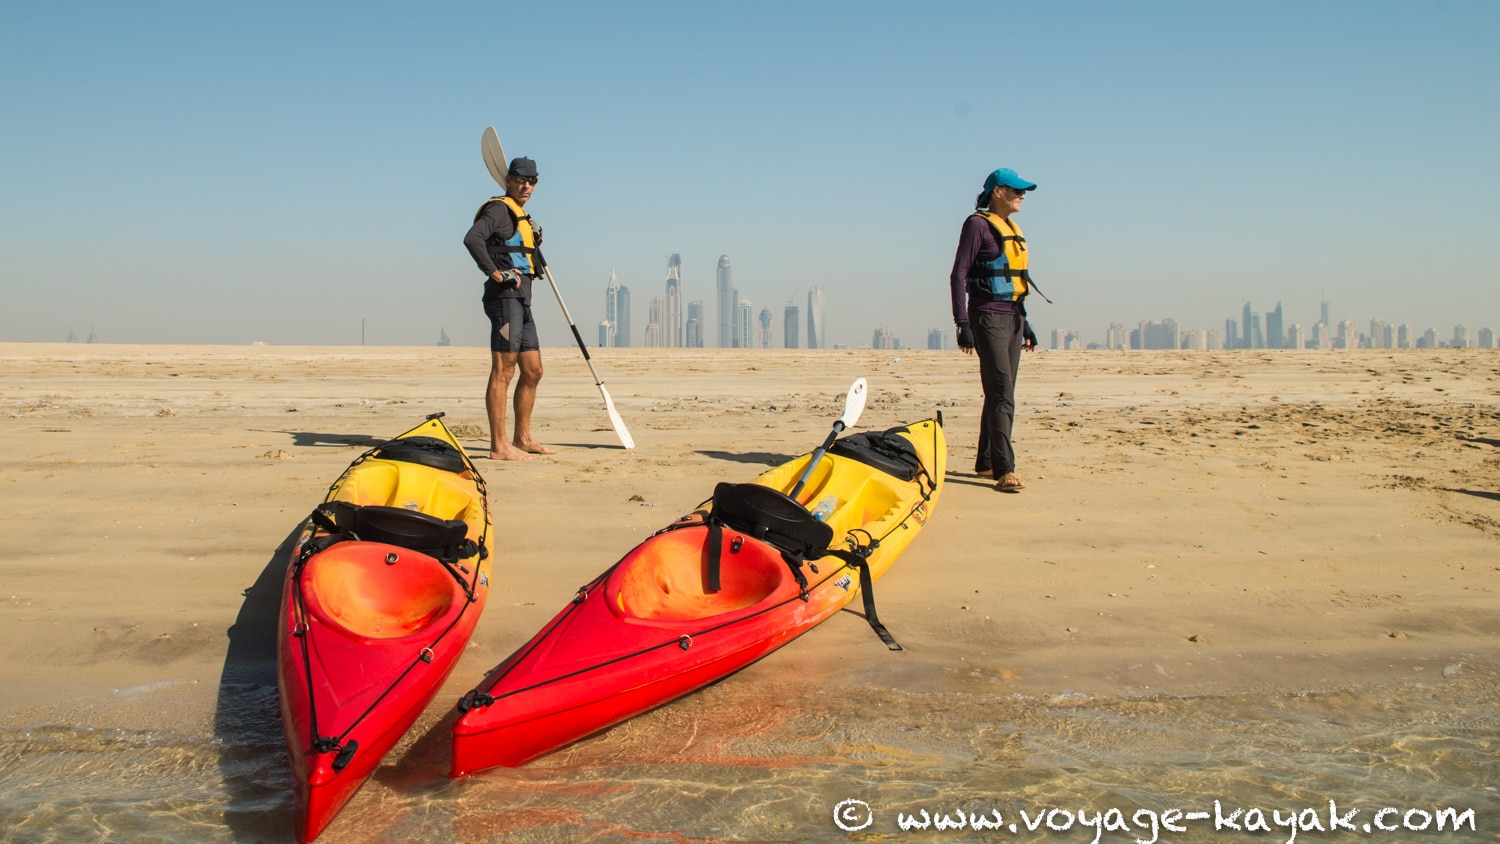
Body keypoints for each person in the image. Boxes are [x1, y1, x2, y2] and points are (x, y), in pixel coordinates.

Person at [949, 167, 1041, 493]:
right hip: (986, 316)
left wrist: (1025, 323)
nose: (1022, 195)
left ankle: (986, 462)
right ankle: (1005, 470)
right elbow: (958, 275)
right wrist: (962, 323)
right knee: (1002, 391)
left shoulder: (1011, 228)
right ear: (997, 191)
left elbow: (1015, 284)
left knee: (999, 391)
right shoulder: (977, 225)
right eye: (1016, 190)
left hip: (1013, 317)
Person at [463, 156, 556, 461]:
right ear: (508, 180)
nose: (526, 186)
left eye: (532, 181)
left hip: (523, 300)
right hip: (504, 299)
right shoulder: (498, 209)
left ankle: (522, 438)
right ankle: (499, 445)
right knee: (504, 369)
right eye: (520, 180)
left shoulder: (520, 215)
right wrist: (495, 273)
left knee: (533, 370)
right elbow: (472, 239)